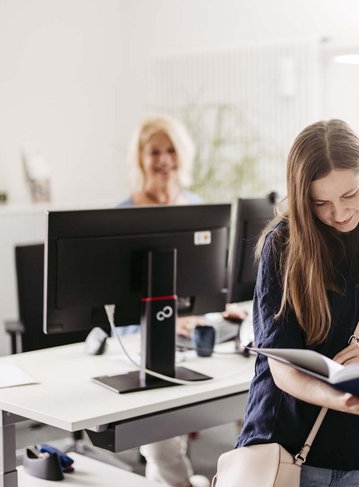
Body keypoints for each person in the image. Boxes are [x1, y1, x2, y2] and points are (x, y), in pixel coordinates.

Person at [235, 119, 359, 487]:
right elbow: (283, 369)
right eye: (320, 202)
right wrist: (349, 401)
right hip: (284, 449)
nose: (338, 213)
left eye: (350, 195)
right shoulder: (282, 247)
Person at [120, 114, 209, 487]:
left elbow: (206, 282)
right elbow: (118, 306)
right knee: (158, 434)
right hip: (136, 340)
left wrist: (210, 312)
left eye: (170, 150)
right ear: (141, 158)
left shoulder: (196, 206)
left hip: (189, 336)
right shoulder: (123, 215)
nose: (163, 159)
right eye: (154, 151)